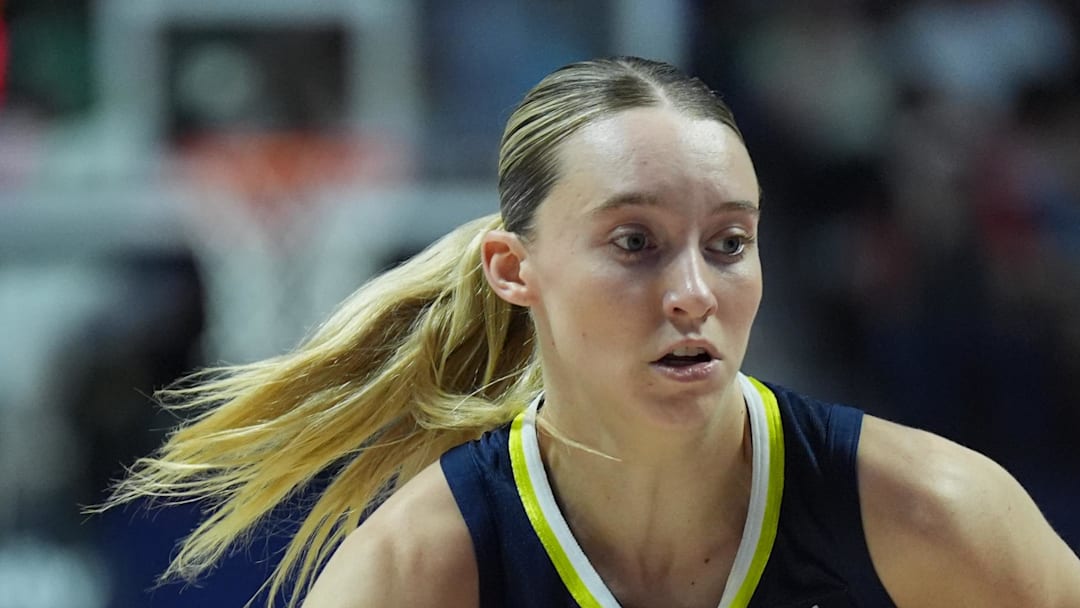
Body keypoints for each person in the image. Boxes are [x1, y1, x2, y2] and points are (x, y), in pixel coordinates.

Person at [100, 57, 1080, 608]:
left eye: (729, 241)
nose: (695, 290)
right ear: (513, 268)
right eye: (635, 241)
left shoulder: (931, 514)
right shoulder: (417, 570)